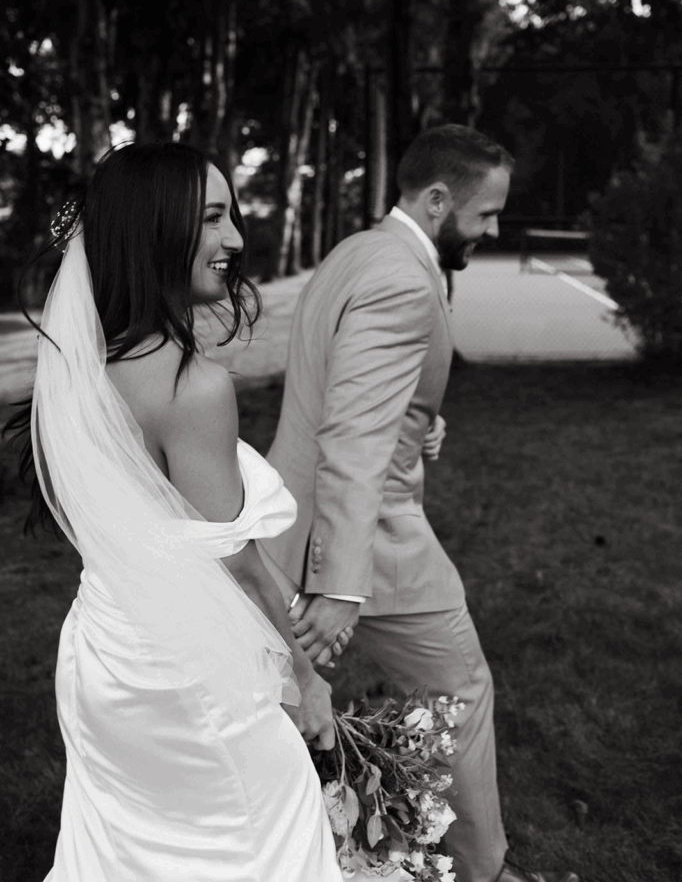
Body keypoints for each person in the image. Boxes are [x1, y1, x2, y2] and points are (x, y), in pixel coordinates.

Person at [5, 142, 343, 882]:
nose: (236, 241)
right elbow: (234, 563)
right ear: (158, 229)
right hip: (183, 676)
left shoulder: (82, 370)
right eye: (214, 218)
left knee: (124, 850)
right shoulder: (193, 388)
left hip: (102, 659)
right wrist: (304, 678)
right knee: (270, 830)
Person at [260, 124, 579, 882]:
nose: (493, 229)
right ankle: (484, 873)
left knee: (269, 712)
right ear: (438, 200)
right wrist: (340, 585)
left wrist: (418, 426)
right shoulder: (405, 278)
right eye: (486, 214)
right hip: (363, 540)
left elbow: (346, 390)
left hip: (286, 521)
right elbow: (352, 437)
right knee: (460, 690)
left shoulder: (359, 252)